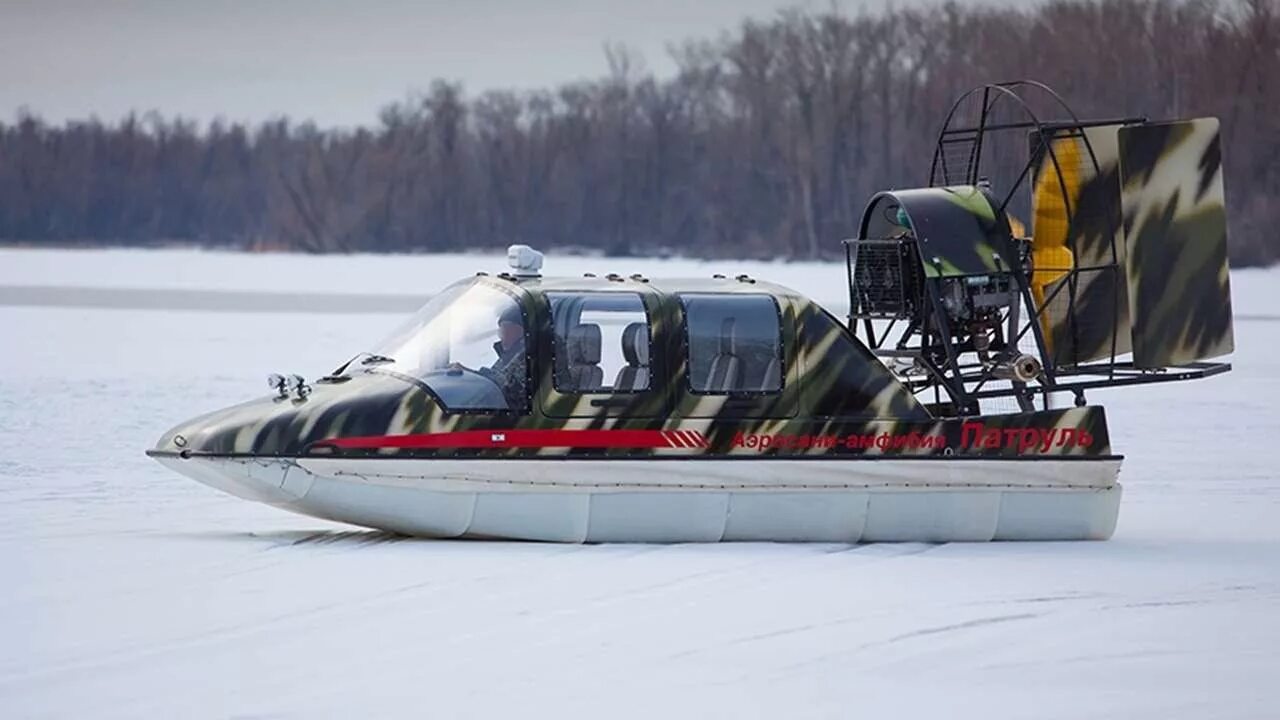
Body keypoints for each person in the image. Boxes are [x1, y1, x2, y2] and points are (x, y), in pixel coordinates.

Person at [451, 304, 526, 407]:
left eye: (507, 328)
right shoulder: (508, 356)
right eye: (501, 329)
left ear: (521, 330)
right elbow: (493, 380)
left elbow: (506, 386)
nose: (503, 335)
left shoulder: (526, 356)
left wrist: (470, 374)